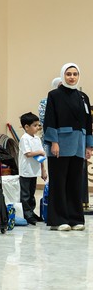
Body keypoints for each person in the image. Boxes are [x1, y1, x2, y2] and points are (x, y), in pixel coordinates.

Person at [43, 64, 93, 231]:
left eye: (75, 74)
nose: (72, 77)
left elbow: (88, 122)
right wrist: (54, 142)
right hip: (60, 144)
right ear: (63, 75)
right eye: (68, 74)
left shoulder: (83, 97)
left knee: (75, 183)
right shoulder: (54, 95)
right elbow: (50, 119)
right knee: (58, 182)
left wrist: (89, 145)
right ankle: (59, 220)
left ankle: (75, 219)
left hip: (79, 144)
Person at [19, 112, 47, 225]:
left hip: (34, 171)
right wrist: (40, 152)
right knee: (25, 194)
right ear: (26, 127)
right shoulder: (24, 138)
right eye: (35, 125)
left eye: (38, 125)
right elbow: (28, 154)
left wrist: (43, 170)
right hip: (26, 171)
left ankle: (31, 211)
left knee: (32, 193)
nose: (37, 128)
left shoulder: (37, 139)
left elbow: (41, 156)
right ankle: (27, 214)